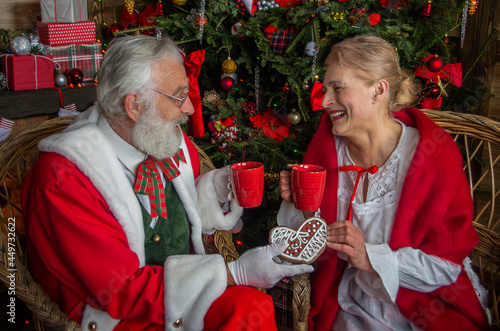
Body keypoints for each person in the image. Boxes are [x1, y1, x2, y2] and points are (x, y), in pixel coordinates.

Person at [22, 35, 313, 331]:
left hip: (176, 291)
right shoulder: (65, 176)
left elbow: (183, 207)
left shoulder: (161, 137)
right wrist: (233, 273)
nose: (189, 108)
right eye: (178, 96)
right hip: (115, 315)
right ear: (134, 105)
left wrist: (214, 188)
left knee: (253, 308)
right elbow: (118, 289)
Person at [278, 35, 491, 331]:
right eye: (325, 89)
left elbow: (444, 269)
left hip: (420, 306)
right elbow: (305, 246)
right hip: (349, 304)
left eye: (337, 88)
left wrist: (371, 258)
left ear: (378, 90)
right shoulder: (326, 147)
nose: (324, 101)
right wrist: (296, 203)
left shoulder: (433, 156)